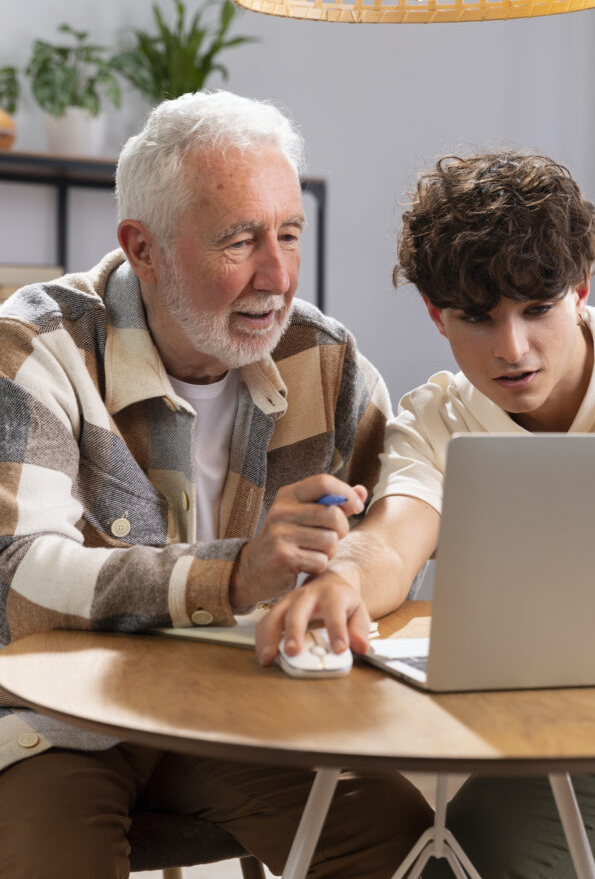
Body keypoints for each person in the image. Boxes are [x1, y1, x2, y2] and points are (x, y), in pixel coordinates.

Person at [0, 90, 431, 879]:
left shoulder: (322, 360)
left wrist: (347, 567)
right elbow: (13, 578)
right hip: (51, 719)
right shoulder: (34, 347)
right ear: (144, 248)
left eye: (289, 235)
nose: (276, 275)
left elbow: (398, 524)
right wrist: (233, 575)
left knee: (396, 834)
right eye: (239, 241)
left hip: (241, 707)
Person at [258, 150, 595, 877]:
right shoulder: (437, 421)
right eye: (477, 318)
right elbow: (391, 542)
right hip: (585, 743)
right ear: (436, 314)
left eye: (537, 309)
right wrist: (342, 582)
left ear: (580, 289)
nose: (511, 349)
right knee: (466, 863)